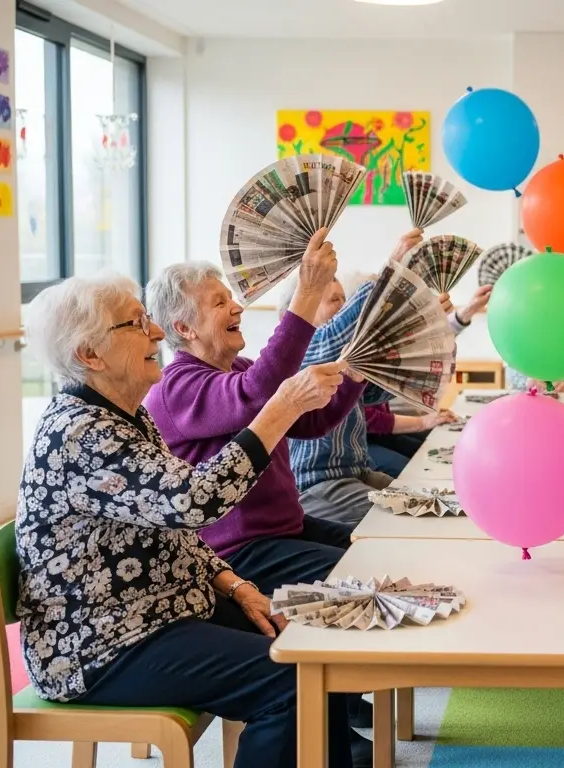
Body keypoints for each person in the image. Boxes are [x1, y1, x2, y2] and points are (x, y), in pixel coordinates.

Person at [17, 273, 366, 768]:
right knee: (293, 679)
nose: (157, 333)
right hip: (101, 644)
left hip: (160, 609)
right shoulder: (80, 434)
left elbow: (175, 527)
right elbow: (196, 503)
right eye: (136, 324)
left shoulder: (125, 417)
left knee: (311, 645)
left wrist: (234, 584)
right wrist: (279, 408)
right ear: (89, 356)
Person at [143, 231, 379, 735]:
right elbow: (256, 396)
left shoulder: (238, 368)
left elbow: (311, 423)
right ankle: (330, 718)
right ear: (183, 328)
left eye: (230, 297)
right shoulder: (177, 386)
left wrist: (357, 370)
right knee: (355, 579)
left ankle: (337, 703)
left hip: (280, 533)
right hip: (241, 551)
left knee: (374, 550)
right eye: (218, 302)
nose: (235, 307)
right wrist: (306, 294)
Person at [287, 230, 445, 524]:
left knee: (434, 507)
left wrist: (430, 329)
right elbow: (338, 332)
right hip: (320, 484)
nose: (342, 308)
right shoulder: (302, 348)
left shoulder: (338, 352)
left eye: (343, 300)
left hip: (357, 472)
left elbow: (380, 392)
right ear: (303, 307)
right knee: (414, 520)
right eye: (334, 300)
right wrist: (391, 268)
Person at [361, 283, 494, 475]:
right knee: (425, 470)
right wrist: (424, 421)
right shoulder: (366, 346)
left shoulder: (394, 339)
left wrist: (467, 309)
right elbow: (370, 418)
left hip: (392, 427)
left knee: (450, 456)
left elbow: (430, 340)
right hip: (377, 435)